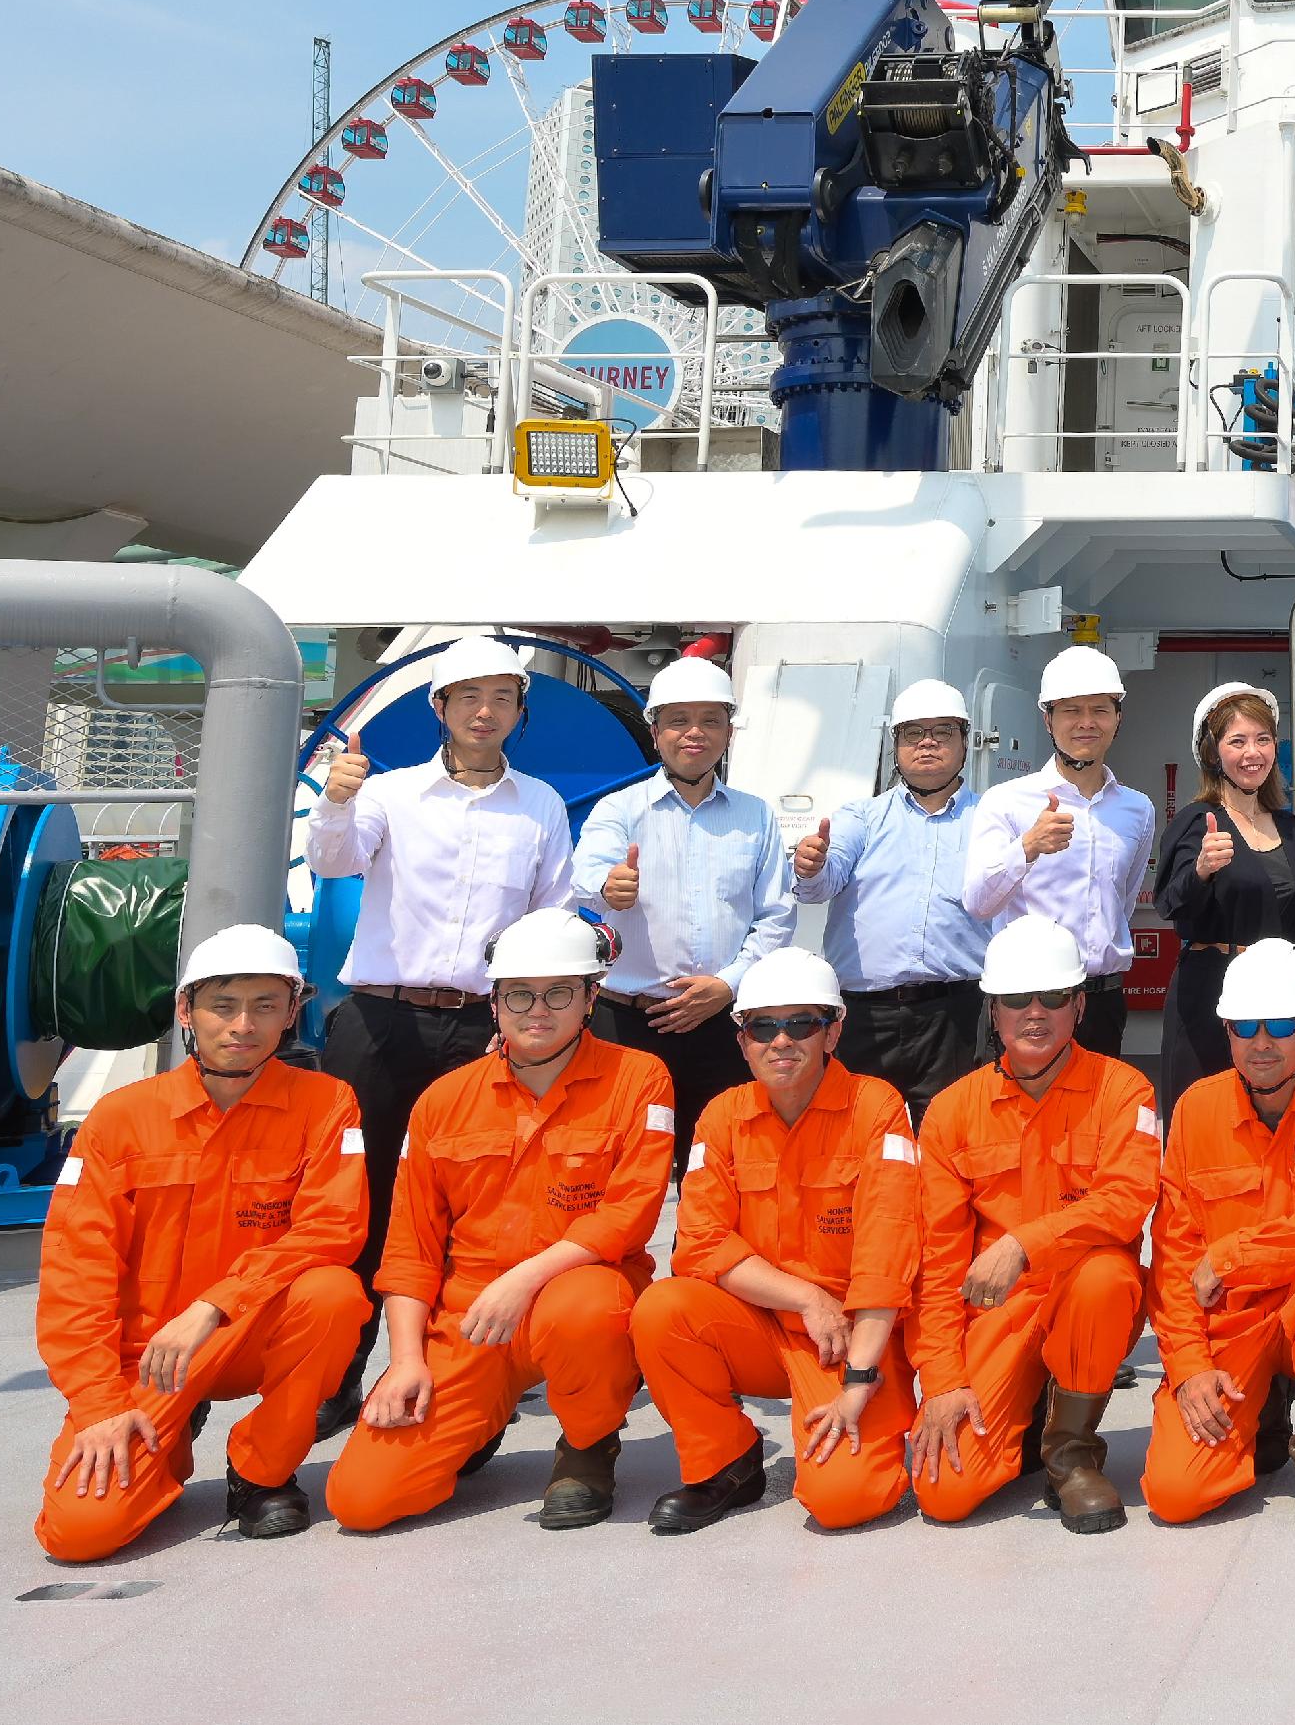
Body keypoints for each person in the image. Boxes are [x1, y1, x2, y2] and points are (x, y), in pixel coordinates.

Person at [331, 909, 673, 1535]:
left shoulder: (640, 1079)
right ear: (493, 1002)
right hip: (471, 1316)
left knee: (586, 1306)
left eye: (559, 993)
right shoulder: (442, 1101)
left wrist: (524, 1280)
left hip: (579, 1292)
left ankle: (588, 1446)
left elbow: (628, 1215)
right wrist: (405, 1359)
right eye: (518, 993)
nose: (536, 1010)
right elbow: (411, 1245)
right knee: (361, 1501)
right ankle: (475, 1423)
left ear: (591, 998)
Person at [32, 925, 368, 1560]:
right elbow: (75, 1267)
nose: (244, 1025)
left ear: (292, 1014)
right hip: (146, 1355)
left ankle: (262, 1469)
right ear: (186, 1010)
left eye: (266, 1006)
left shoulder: (327, 1104)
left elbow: (333, 1227)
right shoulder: (120, 1119)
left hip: (248, 1332)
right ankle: (170, 1430)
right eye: (224, 1005)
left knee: (333, 1295)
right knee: (81, 1534)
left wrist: (212, 1306)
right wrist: (101, 1402)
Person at [309, 636, 574, 1408]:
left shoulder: (542, 807)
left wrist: (526, 1021)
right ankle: (341, 1369)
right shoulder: (387, 795)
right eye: (468, 697)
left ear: (520, 712)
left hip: (483, 1031)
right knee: (363, 1195)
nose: (484, 712)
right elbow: (332, 862)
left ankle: (461, 1361)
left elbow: (549, 918)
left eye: (500, 698)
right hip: (381, 1022)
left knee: (474, 1199)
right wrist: (337, 796)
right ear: (440, 709)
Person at [631, 948, 919, 1534]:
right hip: (767, 1325)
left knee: (843, 1501)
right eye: (762, 1025)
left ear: (833, 1032)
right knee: (662, 1308)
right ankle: (727, 1462)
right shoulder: (721, 1116)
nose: (780, 1041)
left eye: (801, 1024)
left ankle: (870, 1430)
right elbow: (700, 1244)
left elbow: (889, 1250)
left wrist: (860, 1378)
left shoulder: (877, 1107)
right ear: (742, 1041)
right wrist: (806, 1299)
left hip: (851, 1337)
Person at [902, 915, 1160, 1530]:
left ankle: (1071, 1454)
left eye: (1053, 998)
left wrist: (1025, 1243)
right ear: (994, 1009)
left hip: (1083, 1298)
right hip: (998, 1312)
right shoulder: (951, 1112)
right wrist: (940, 1379)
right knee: (943, 1493)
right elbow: (937, 1261)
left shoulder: (1125, 1091)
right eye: (1017, 999)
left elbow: (1127, 1200)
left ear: (1079, 1005)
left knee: (1106, 1276)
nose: (1034, 1013)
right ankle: (1024, 1425)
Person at [1144, 938, 1295, 1532]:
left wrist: (1233, 1255)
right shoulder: (1196, 1109)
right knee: (1175, 1495)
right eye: (1245, 1025)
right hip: (1233, 1324)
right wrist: (1189, 1366)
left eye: (1279, 1024)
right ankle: (1261, 1415)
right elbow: (1175, 1254)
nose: (1261, 1042)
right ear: (1226, 1030)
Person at [574, 653, 790, 1134]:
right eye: (678, 721)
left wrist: (728, 984)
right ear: (655, 733)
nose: (695, 732)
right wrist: (609, 886)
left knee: (716, 1168)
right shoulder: (619, 809)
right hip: (627, 1025)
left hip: (723, 1025)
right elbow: (586, 876)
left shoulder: (756, 816)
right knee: (620, 1171)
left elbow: (775, 916)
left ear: (729, 733)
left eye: (710, 720)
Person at [793, 677, 998, 1124]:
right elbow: (823, 883)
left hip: (958, 1014)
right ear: (895, 745)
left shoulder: (993, 818)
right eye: (913, 733)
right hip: (865, 1015)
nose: (927, 743)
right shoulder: (859, 817)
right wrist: (810, 866)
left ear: (966, 742)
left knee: (951, 1141)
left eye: (942, 732)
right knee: (856, 1139)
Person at [966, 647, 1158, 1057]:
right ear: (1047, 719)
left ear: (1117, 718)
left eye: (1100, 710)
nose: (1086, 722)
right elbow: (978, 902)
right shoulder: (1006, 801)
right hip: (1028, 1000)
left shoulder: (1137, 809)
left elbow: (1120, 904)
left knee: (1098, 1119)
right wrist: (1027, 848)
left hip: (1103, 1001)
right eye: (1071, 710)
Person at [1152, 683, 1295, 1103]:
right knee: (1205, 1120)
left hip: (1279, 1002)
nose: (1252, 753)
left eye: (1263, 740)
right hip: (1210, 995)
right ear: (1212, 753)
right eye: (1237, 741)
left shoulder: (1293, 830)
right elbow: (1170, 904)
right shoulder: (1197, 822)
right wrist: (1201, 871)